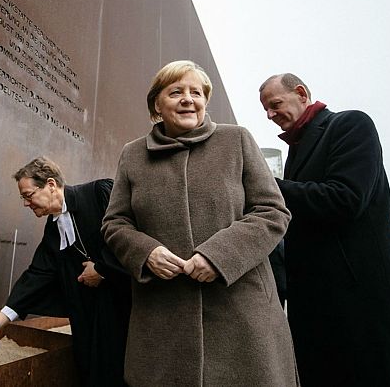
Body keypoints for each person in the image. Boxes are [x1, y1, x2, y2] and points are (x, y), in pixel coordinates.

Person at [102, 60, 297, 386]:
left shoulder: (237, 140)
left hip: (242, 318)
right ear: (157, 105)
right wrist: (146, 253)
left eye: (196, 93)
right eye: (176, 92)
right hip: (162, 321)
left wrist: (218, 256)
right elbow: (115, 222)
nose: (188, 99)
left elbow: (272, 211)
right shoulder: (133, 155)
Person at [259, 73, 390, 386]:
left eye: (275, 104)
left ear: (301, 93)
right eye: (265, 109)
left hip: (360, 303)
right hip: (318, 307)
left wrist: (266, 184)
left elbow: (346, 198)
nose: (270, 115)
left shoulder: (351, 124)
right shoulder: (297, 149)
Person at [0, 157, 131, 387]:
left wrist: (102, 270)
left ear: (51, 185)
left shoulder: (99, 193)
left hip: (120, 316)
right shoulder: (54, 229)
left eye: (28, 195)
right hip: (87, 323)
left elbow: (130, 235)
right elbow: (35, 277)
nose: (26, 203)